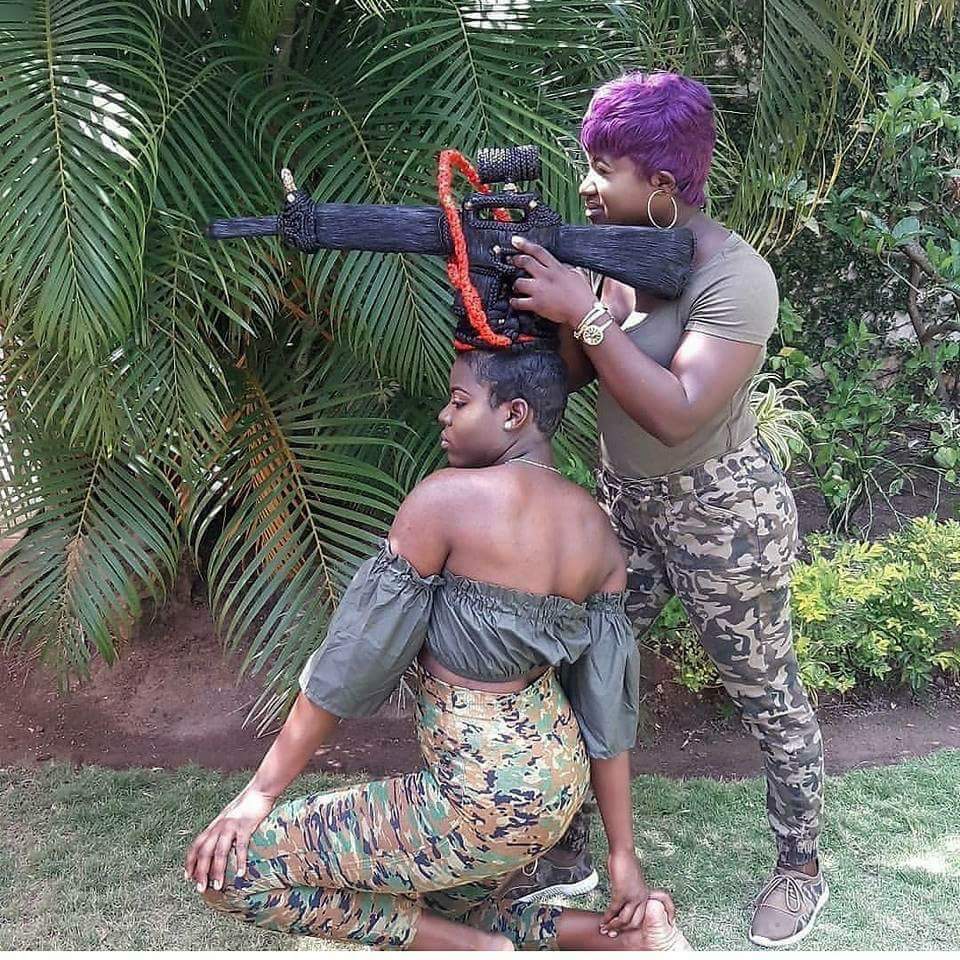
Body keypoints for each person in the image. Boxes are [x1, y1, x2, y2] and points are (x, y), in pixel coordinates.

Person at [184, 346, 691, 950]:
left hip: (480, 797)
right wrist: (621, 854)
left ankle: (477, 951)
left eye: (459, 402)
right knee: (445, 908)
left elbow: (351, 662)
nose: (443, 417)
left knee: (230, 871)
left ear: (514, 414)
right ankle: (627, 941)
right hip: (555, 791)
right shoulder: (596, 532)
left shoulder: (447, 500)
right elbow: (605, 710)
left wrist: (260, 795)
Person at [496, 71, 827, 948]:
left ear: (664, 186)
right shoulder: (615, 256)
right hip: (626, 507)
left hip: (725, 514)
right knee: (585, 667)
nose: (586, 184)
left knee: (765, 691)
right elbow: (574, 376)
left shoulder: (737, 278)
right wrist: (541, 303)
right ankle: (568, 850)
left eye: (604, 169)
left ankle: (800, 867)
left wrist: (586, 314)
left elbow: (677, 411)